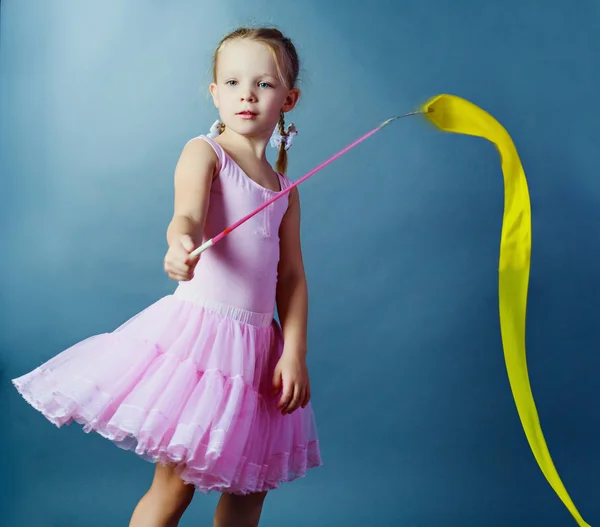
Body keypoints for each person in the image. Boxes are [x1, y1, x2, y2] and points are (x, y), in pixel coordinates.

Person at [12, 26, 321, 527]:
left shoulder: (286, 189)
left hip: (259, 353)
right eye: (234, 81)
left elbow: (292, 276)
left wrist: (293, 351)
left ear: (289, 99)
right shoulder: (206, 152)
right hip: (206, 345)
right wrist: (179, 246)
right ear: (215, 93)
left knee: (250, 491)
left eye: (264, 84)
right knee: (175, 486)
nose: (247, 93)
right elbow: (186, 218)